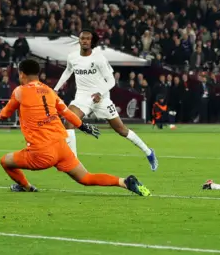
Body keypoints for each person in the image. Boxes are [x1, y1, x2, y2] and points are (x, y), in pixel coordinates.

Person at [0, 59, 151, 196]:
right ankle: (124, 182)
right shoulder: (49, 92)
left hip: (41, 152)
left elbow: (5, 113)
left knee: (5, 161)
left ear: (22, 74)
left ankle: (26, 187)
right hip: (61, 146)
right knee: (85, 178)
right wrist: (83, 126)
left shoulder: (19, 91)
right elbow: (66, 112)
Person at [54, 30, 158, 171]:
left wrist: (100, 93)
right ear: (79, 40)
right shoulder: (72, 57)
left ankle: (149, 152)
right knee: (69, 122)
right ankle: (73, 161)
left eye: (87, 39)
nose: (84, 41)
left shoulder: (99, 59)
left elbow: (111, 81)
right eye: (82, 38)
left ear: (91, 42)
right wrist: (55, 89)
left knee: (121, 129)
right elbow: (68, 70)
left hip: (101, 98)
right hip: (82, 97)